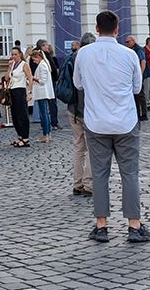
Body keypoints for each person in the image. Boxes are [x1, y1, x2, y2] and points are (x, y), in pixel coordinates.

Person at [73, 11, 150, 244]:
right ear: (117, 30)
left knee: (99, 174)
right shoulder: (128, 54)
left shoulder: (83, 54)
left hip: (96, 121)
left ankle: (101, 225)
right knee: (130, 173)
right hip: (125, 121)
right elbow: (137, 88)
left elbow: (78, 84)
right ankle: (134, 225)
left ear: (97, 29)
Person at [65, 32, 95, 197]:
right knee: (91, 148)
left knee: (78, 147)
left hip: (73, 108)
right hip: (88, 109)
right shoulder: (92, 58)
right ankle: (89, 184)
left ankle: (77, 184)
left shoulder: (72, 58)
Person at [5, 46, 33, 147]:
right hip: (12, 90)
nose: (14, 56)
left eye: (15, 54)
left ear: (20, 54)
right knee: (15, 115)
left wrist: (30, 92)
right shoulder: (13, 65)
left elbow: (30, 77)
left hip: (20, 90)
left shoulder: (24, 65)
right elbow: (7, 77)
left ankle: (26, 138)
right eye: (12, 54)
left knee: (22, 115)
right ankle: (20, 136)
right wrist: (9, 67)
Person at [35, 39, 61, 130]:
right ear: (42, 46)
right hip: (46, 82)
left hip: (44, 82)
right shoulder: (43, 56)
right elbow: (52, 69)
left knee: (44, 105)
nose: (48, 47)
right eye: (46, 45)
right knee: (50, 104)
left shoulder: (42, 55)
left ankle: (46, 123)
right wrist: (56, 77)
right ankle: (52, 123)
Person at [30, 49, 55, 143]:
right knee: (45, 114)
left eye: (34, 59)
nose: (33, 61)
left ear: (38, 57)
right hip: (43, 93)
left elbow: (42, 81)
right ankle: (47, 134)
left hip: (43, 93)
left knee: (44, 114)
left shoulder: (42, 65)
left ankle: (46, 134)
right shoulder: (43, 64)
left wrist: (34, 78)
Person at [125, 36, 149, 121]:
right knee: (137, 95)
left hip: (138, 75)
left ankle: (143, 114)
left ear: (133, 41)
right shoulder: (132, 49)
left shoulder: (138, 49)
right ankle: (138, 113)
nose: (126, 44)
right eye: (126, 42)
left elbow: (143, 61)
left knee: (140, 95)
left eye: (128, 42)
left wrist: (140, 75)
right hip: (135, 75)